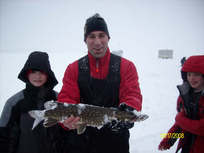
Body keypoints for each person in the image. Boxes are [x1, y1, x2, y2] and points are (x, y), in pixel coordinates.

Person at [57, 13, 143, 153]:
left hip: (115, 142)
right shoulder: (73, 68)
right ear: (85, 40)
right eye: (92, 36)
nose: (97, 42)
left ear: (108, 38)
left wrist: (128, 109)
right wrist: (67, 122)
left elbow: (132, 94)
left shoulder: (126, 66)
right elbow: (67, 98)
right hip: (81, 142)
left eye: (101, 35)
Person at [0, 51, 58, 153]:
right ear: (27, 73)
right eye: (33, 72)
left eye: (42, 72)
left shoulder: (59, 100)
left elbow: (70, 134)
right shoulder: (14, 103)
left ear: (48, 74)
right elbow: (3, 136)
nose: (37, 76)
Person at [158, 55, 204, 153]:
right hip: (187, 146)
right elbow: (181, 124)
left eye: (196, 74)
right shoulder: (185, 95)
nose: (192, 78)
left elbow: (200, 128)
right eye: (189, 74)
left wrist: (180, 119)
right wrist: (169, 139)